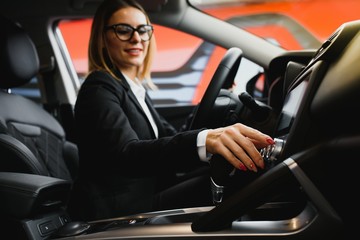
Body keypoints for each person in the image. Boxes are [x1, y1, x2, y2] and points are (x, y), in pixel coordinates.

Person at [68, 0, 275, 221]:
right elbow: (126, 155)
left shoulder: (133, 88)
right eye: (123, 30)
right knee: (239, 176)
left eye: (143, 30)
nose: (136, 38)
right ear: (102, 38)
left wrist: (211, 105)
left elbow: (170, 137)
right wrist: (205, 138)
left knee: (229, 168)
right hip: (118, 210)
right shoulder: (98, 88)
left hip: (148, 191)